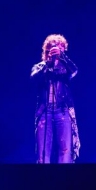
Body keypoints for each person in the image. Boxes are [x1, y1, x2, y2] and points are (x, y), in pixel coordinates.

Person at [30, 34, 81, 163]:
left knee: (65, 151)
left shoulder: (66, 68)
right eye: (54, 47)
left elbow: (74, 71)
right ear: (47, 50)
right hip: (44, 112)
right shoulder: (40, 66)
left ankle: (64, 176)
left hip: (62, 111)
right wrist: (48, 63)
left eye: (60, 47)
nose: (57, 49)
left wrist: (62, 57)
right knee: (43, 153)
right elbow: (34, 78)